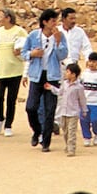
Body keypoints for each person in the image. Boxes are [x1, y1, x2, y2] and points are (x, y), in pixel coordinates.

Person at [23, 9, 68, 152]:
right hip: (37, 76)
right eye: (53, 21)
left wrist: (59, 41)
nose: (56, 24)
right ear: (45, 22)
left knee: (50, 110)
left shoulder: (59, 36)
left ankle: (46, 141)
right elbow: (24, 54)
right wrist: (32, 54)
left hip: (52, 76)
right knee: (31, 107)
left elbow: (63, 55)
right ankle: (37, 131)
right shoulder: (33, 36)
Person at [0, 8, 27, 136]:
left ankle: (8, 125)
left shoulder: (20, 31)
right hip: (0, 71)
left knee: (11, 99)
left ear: (8, 18)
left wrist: (20, 53)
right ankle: (0, 118)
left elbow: (26, 48)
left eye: (1, 16)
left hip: (15, 70)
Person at [78, 51, 97, 147]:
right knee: (84, 120)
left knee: (95, 120)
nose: (91, 64)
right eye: (90, 61)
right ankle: (86, 137)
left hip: (95, 102)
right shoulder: (84, 74)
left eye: (94, 62)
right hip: (84, 102)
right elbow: (79, 87)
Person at [57, 62, 86, 156]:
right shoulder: (64, 84)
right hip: (63, 112)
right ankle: (67, 145)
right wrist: (51, 88)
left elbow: (82, 99)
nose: (66, 73)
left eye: (68, 72)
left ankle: (71, 149)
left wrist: (84, 110)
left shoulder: (79, 87)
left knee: (72, 131)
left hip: (73, 113)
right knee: (65, 131)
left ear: (73, 74)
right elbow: (59, 92)